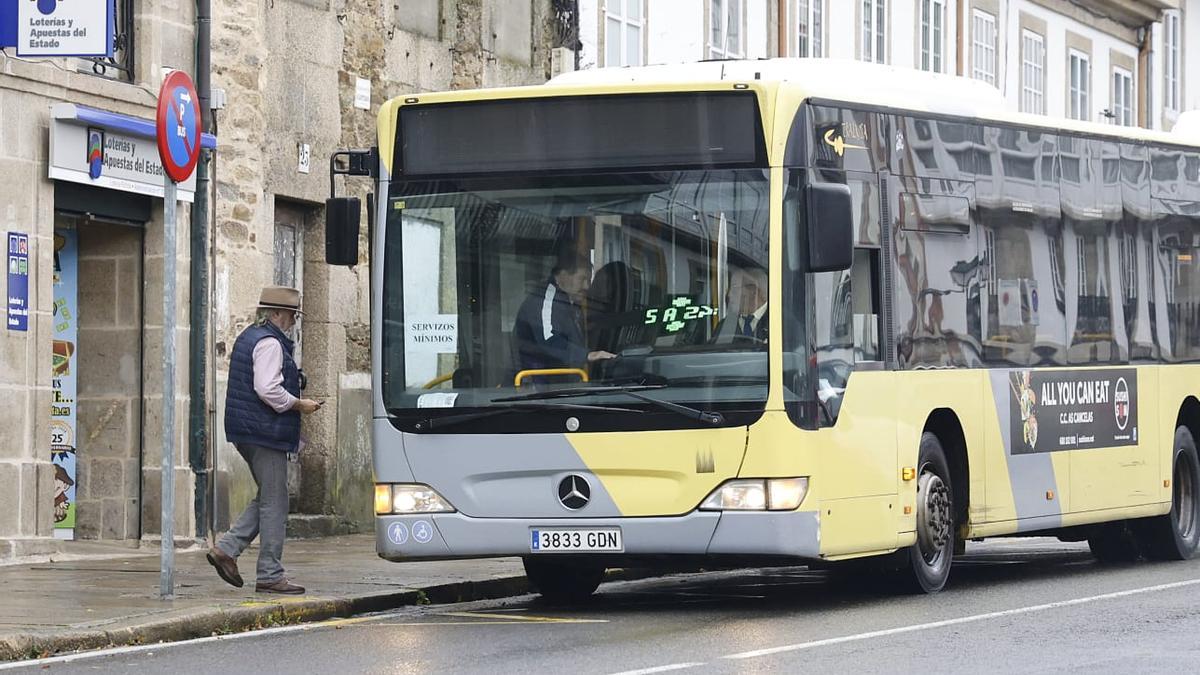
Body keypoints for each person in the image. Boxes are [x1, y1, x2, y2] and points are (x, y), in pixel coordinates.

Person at [207, 286, 322, 595]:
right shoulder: (270, 343)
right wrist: (300, 404)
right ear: (275, 314)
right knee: (275, 501)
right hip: (264, 430)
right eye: (291, 316)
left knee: (272, 496)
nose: (293, 322)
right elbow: (268, 389)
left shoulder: (250, 335)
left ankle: (228, 549)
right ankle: (270, 573)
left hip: (249, 428)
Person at [513, 251, 616, 377]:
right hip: (535, 384)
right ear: (563, 275)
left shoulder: (568, 301)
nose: (587, 286)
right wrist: (587, 355)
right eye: (582, 279)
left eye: (589, 280)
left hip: (559, 382)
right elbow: (549, 338)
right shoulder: (546, 299)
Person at [714, 266, 769, 343]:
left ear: (753, 291)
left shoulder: (782, 324)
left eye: (734, 289)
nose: (729, 295)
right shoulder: (724, 326)